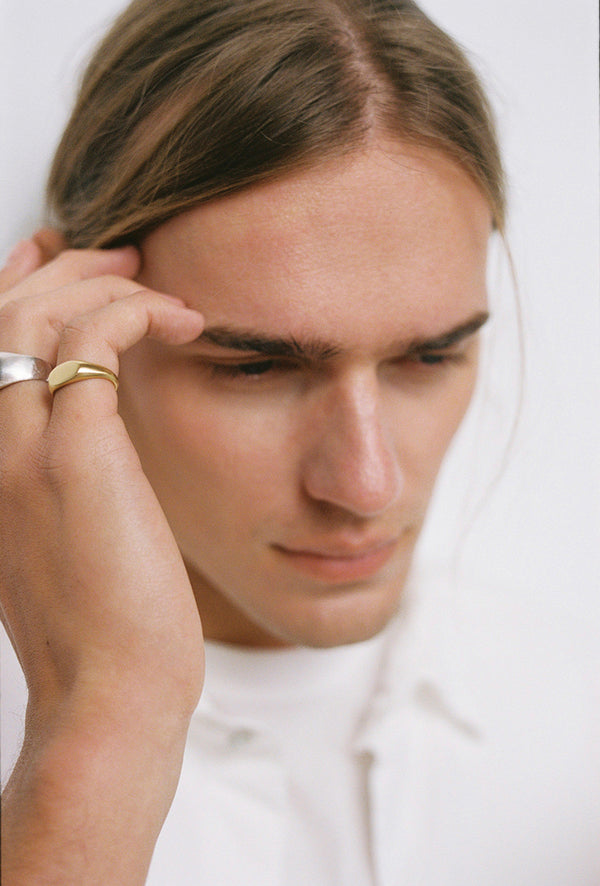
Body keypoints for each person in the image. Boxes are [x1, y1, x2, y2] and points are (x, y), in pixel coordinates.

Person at [0, 1, 597, 884]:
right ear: (63, 320)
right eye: (254, 367)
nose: (365, 484)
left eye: (431, 354)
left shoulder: (577, 724)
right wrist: (103, 729)